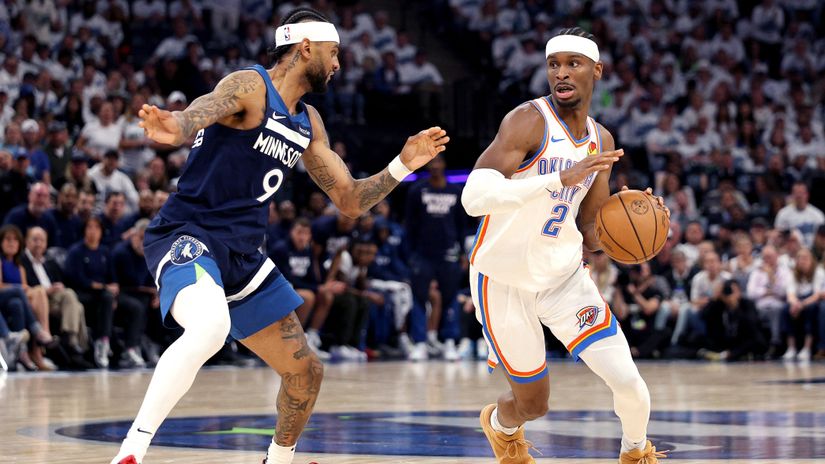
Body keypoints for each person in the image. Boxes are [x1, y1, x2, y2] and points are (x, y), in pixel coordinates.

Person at [110, 7, 448, 464]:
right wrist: (172, 126)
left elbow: (349, 200)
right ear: (305, 47)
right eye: (333, 53)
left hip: (246, 255)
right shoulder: (250, 85)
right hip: (191, 234)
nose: (337, 64)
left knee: (305, 372)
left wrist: (403, 164)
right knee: (211, 327)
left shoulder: (309, 123)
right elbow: (195, 115)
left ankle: (279, 459)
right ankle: (132, 452)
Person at [460, 28, 666, 463]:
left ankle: (635, 453)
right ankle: (500, 426)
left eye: (574, 64)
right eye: (555, 64)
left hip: (564, 277)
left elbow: (591, 227)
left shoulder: (601, 140)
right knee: (534, 405)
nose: (562, 73)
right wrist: (558, 178)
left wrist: (635, 221)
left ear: (597, 70)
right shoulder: (527, 121)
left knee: (629, 383)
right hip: (503, 282)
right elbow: (473, 199)